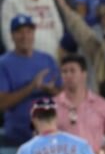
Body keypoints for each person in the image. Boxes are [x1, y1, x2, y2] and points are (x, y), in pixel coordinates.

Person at [0, 14, 61, 145]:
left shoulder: (47, 59)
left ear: (34, 33)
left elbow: (63, 94)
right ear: (12, 35)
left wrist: (51, 90)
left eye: (28, 31)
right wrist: (31, 87)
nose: (24, 36)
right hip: (18, 136)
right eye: (19, 32)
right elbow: (2, 103)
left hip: (50, 133)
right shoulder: (3, 63)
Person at [54, 55, 105, 154]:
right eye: (64, 72)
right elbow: (42, 138)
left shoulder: (102, 105)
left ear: (84, 74)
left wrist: (101, 153)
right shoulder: (52, 106)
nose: (68, 75)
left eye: (72, 71)